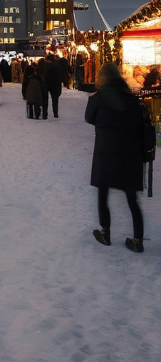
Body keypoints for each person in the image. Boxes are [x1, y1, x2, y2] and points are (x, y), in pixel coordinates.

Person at [85, 63, 147, 252]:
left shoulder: (98, 98)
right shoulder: (132, 99)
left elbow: (89, 117)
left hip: (106, 151)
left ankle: (106, 232)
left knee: (103, 191)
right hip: (130, 152)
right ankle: (138, 239)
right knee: (131, 197)